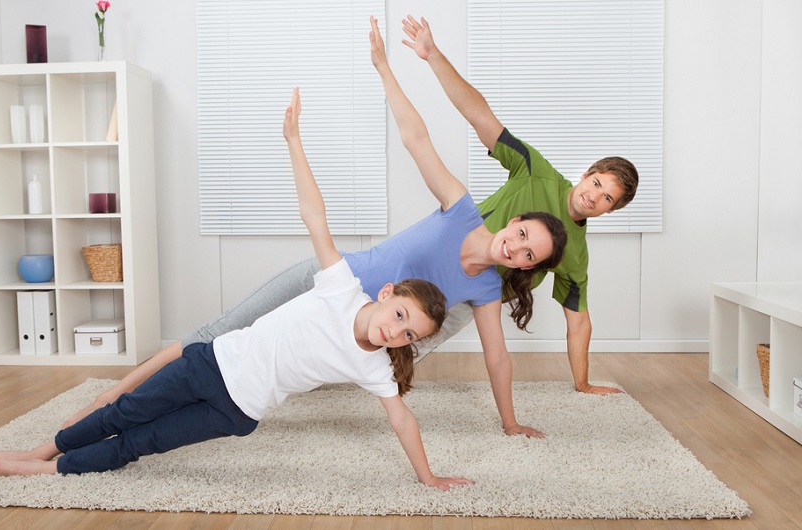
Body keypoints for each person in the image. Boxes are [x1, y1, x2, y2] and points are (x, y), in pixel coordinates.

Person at [62, 17, 568, 438]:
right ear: (516, 221)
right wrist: (384, 68)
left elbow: (497, 358)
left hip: (356, 323)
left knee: (264, 370)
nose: (517, 251)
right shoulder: (461, 208)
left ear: (529, 268)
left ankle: (153, 410)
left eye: (530, 257)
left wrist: (511, 422)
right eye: (523, 236)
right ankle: (114, 395)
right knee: (218, 333)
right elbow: (417, 138)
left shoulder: (483, 288)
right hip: (327, 277)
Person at [0, 88, 472, 491]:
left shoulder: (375, 366)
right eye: (403, 317)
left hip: (236, 412)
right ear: (387, 294)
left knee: (140, 443)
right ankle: (45, 450)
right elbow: (314, 216)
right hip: (209, 364)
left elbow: (403, 421)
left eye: (410, 337)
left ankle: (44, 471)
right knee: (125, 412)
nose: (398, 333)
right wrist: (294, 141)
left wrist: (428, 477)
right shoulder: (342, 288)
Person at [399, 15, 640, 395]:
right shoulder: (535, 171)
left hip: (469, 297)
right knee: (363, 302)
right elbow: (480, 115)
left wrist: (583, 383)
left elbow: (579, 321)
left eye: (606, 198)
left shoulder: (575, 253)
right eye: (596, 183)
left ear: (609, 211)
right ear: (587, 174)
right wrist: (433, 57)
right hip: (441, 249)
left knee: (400, 348)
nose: (594, 196)